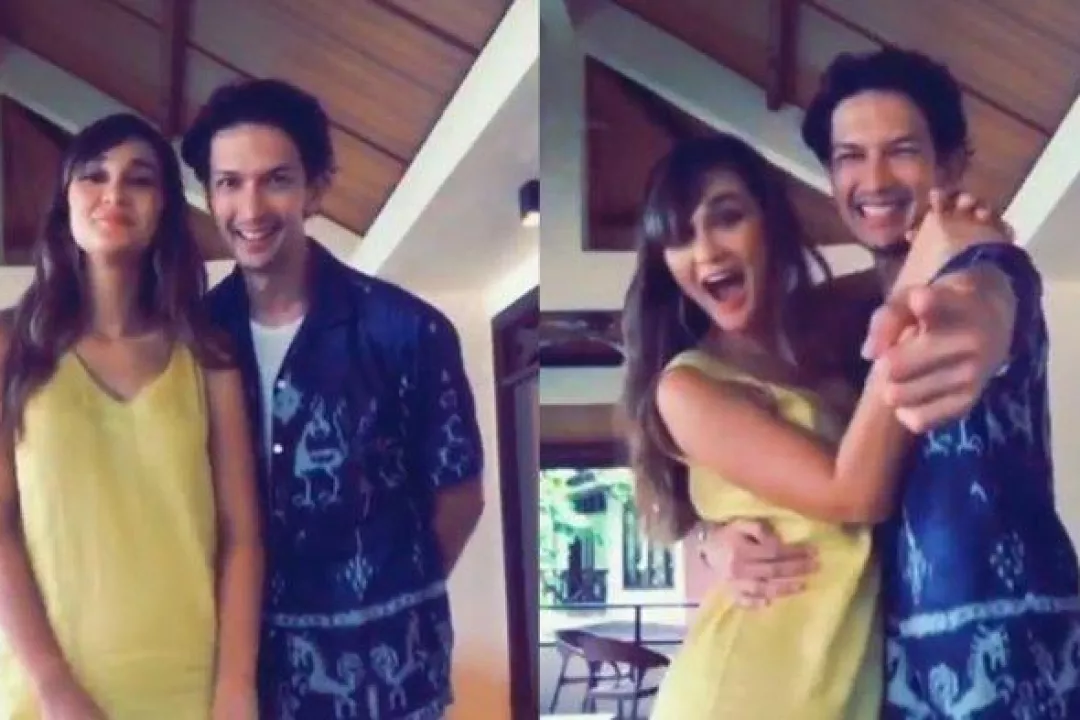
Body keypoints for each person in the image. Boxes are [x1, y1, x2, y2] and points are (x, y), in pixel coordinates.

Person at [701, 48, 1080, 717]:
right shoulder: (832, 322)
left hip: (1018, 670)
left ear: (950, 165)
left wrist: (974, 315)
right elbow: (792, 470)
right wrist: (716, 538)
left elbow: (987, 295)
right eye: (850, 156)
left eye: (902, 150)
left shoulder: (985, 261)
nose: (873, 179)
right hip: (884, 678)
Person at [179, 78, 486, 719]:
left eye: (277, 180)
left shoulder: (409, 331)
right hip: (249, 678)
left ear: (315, 189)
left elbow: (459, 496)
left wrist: (386, 592)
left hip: (391, 678)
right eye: (230, 183)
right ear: (209, 195)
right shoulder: (194, 339)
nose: (251, 207)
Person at [0, 113, 263, 719]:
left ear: (164, 209)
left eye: (139, 179)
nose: (115, 192)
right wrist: (54, 685)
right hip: (49, 694)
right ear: (66, 199)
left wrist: (235, 687)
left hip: (189, 687)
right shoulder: (12, 347)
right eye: (94, 175)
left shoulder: (208, 354)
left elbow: (242, 535)